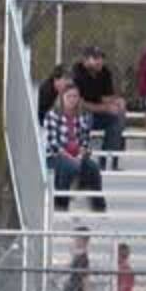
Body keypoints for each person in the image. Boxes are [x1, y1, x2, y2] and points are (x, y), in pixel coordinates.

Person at [43, 84, 106, 212]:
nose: (72, 99)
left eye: (75, 96)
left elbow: (85, 141)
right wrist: (71, 157)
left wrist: (80, 156)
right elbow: (53, 144)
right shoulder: (52, 115)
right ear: (62, 98)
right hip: (56, 156)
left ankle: (99, 206)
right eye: (69, 96)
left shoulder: (83, 116)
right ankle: (61, 204)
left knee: (93, 168)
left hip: (77, 155)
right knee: (69, 166)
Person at [70, 45, 127, 160]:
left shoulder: (104, 72)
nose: (100, 61)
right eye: (95, 58)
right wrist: (104, 108)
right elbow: (77, 103)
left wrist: (117, 101)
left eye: (101, 57)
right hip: (78, 114)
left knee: (117, 118)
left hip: (98, 114)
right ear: (85, 60)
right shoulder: (76, 73)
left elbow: (106, 98)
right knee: (86, 118)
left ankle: (109, 161)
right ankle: (80, 158)